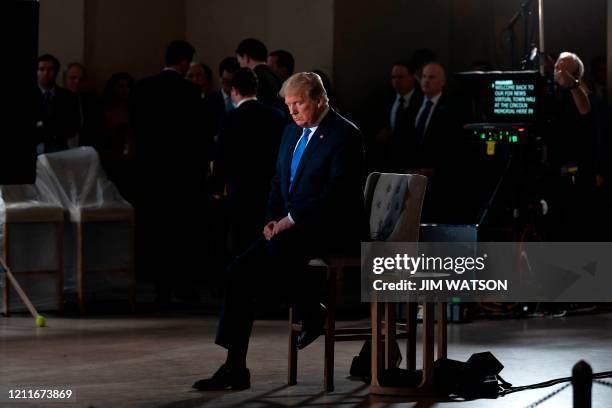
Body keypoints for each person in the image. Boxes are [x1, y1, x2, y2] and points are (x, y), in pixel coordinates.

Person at [192, 72, 365, 391]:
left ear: (320, 99)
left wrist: (291, 219)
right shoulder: (289, 132)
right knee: (239, 271)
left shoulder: (344, 135)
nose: (293, 111)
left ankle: (310, 309)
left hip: (330, 226)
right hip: (290, 229)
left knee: (272, 256)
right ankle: (235, 366)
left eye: (299, 103)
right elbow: (277, 183)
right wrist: (272, 218)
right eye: (288, 105)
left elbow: (337, 194)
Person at [131, 40, 209, 303]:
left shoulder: (142, 87)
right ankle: (182, 285)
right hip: (182, 174)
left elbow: (136, 131)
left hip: (150, 173)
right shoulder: (189, 91)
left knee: (156, 230)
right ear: (185, 62)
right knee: (181, 231)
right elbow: (198, 135)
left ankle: (160, 287)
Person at [212, 68, 286, 255]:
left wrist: (217, 187)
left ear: (234, 90)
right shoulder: (277, 116)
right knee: (265, 237)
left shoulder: (230, 118)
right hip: (269, 188)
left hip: (240, 188)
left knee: (241, 238)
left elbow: (222, 156)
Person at [35, 54, 79, 153]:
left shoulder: (68, 97)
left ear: (56, 72)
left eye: (50, 69)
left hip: (61, 148)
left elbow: (73, 125)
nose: (46, 73)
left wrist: (42, 125)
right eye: (41, 69)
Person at [235, 38, 285, 112]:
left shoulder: (252, 78)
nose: (240, 66)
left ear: (246, 57)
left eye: (240, 62)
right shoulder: (280, 76)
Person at [63, 62, 100, 148]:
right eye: (73, 78)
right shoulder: (55, 98)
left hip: (84, 150)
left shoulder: (90, 101)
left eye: (81, 79)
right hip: (60, 151)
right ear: (64, 79)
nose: (77, 82)